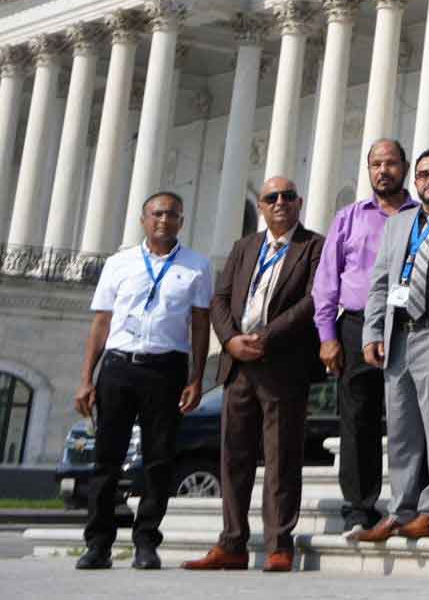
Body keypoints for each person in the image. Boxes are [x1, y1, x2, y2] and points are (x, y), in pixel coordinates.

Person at [184, 177, 324, 573]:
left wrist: (265, 336)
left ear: (299, 203)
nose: (280, 203)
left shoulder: (314, 246)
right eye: (271, 198)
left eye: (287, 196)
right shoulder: (245, 247)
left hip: (282, 364)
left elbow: (313, 300)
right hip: (238, 366)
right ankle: (231, 543)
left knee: (281, 457)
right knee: (234, 457)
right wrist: (229, 341)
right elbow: (220, 299)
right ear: (261, 207)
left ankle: (280, 543)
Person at [73, 191, 213, 571]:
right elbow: (101, 322)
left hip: (166, 369)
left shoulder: (197, 266)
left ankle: (146, 542)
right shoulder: (119, 264)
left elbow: (200, 326)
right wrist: (87, 378)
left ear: (181, 221)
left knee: (158, 460)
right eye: (157, 214)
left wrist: (197, 377)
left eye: (172, 215)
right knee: (107, 460)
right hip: (118, 366)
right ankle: (97, 544)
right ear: (143, 218)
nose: (164, 221)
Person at [360, 150, 429, 542]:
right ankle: (400, 511)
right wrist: (372, 332)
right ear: (415, 181)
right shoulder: (399, 223)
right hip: (397, 335)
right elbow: (381, 282)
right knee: (402, 429)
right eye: (424, 175)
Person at [313, 138, 415, 541]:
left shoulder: (420, 214)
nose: (383, 171)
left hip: (409, 323)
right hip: (355, 326)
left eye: (390, 163)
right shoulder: (349, 218)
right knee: (358, 419)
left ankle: (413, 503)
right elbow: (326, 283)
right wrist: (327, 336)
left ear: (404, 168)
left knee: (411, 417)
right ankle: (359, 507)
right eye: (376, 164)